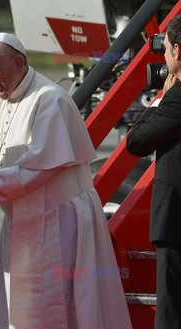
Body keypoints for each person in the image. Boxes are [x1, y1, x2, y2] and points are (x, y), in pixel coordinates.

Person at [0, 32, 132, 328]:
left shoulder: (49, 99)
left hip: (62, 218)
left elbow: (36, 170)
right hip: (23, 218)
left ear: (18, 62)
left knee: (69, 307)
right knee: (25, 305)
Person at [126, 14, 181, 329]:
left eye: (166, 50)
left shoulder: (176, 100)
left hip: (177, 225)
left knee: (171, 314)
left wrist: (161, 97)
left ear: (178, 51)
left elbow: (136, 142)